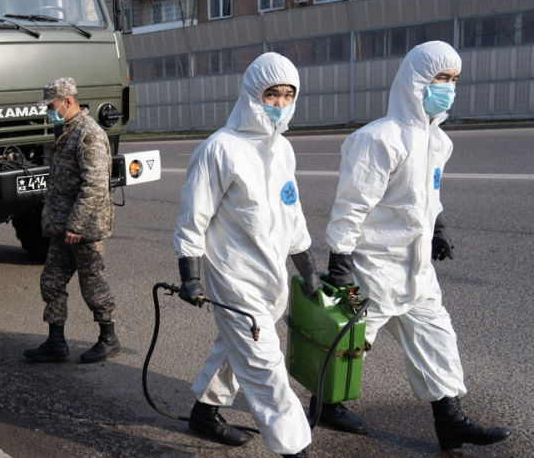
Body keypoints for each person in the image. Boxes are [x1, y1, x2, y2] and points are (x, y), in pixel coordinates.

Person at [321, 41, 511, 451]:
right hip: (375, 265)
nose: (448, 87)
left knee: (437, 339)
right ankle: (325, 406)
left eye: (454, 80)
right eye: (440, 78)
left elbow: (430, 193)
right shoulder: (379, 139)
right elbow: (351, 206)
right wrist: (340, 260)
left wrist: (438, 227)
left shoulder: (439, 141)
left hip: (417, 266)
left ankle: (450, 420)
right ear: (416, 81)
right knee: (350, 344)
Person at [174, 53, 319, 458]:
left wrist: (307, 269)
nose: (280, 104)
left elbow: (293, 214)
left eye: (289, 95)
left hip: (270, 278)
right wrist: (190, 275)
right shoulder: (220, 149)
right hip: (234, 281)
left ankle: (204, 413)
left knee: (235, 348)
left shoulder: (283, 151)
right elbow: (193, 218)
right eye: (272, 94)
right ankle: (295, 449)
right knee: (267, 371)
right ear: (253, 94)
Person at [23, 77, 121, 364]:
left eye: (52, 106)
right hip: (63, 228)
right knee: (51, 282)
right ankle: (56, 342)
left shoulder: (88, 134)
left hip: (83, 229)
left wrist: (76, 225)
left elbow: (94, 185)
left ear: (68, 101)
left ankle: (108, 338)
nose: (48, 112)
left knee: (93, 285)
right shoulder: (67, 130)